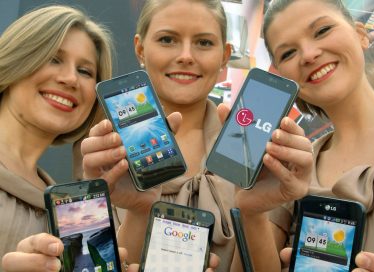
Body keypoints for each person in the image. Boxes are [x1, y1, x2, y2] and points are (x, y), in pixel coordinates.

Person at [78, 0, 313, 271]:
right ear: (140, 48)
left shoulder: (259, 149)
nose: (186, 56)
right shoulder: (102, 153)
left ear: (225, 55)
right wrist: (138, 212)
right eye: (167, 39)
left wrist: (253, 214)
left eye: (203, 43)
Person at [262, 0, 374, 271]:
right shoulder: (290, 170)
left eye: (321, 31)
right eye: (288, 53)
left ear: (361, 35)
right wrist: (251, 213)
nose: (307, 54)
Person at [0, 5, 136, 272]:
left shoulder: (66, 205)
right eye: (53, 58)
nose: (71, 79)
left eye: (85, 71)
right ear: (16, 58)